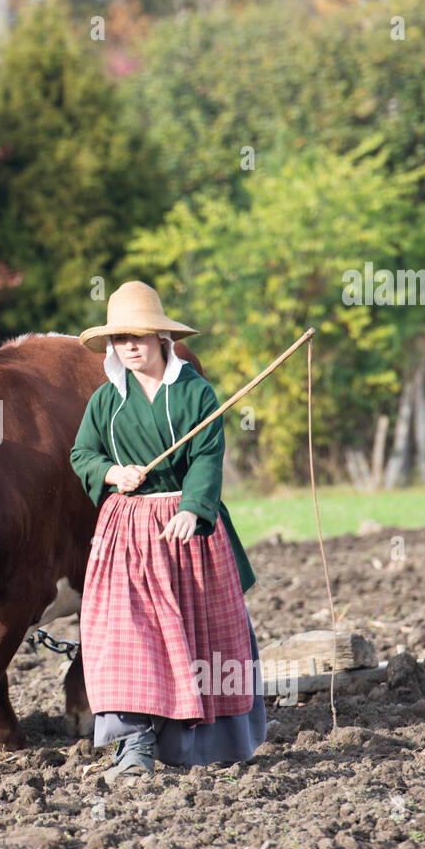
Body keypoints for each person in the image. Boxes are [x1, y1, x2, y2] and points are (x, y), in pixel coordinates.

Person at [69, 280, 266, 783]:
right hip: (127, 532)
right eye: (119, 339)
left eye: (138, 336)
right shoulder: (105, 402)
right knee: (123, 635)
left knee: (197, 638)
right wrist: (114, 474)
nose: (129, 347)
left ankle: (200, 745)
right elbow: (82, 455)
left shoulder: (196, 392)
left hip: (188, 530)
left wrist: (193, 508)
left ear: (163, 338)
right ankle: (134, 745)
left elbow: (207, 456)